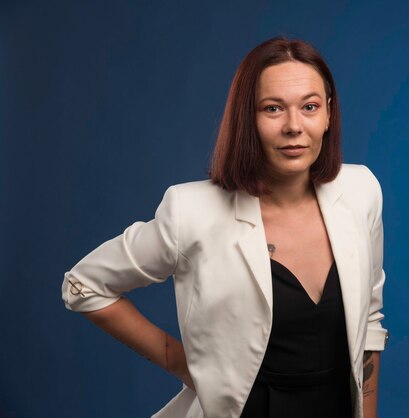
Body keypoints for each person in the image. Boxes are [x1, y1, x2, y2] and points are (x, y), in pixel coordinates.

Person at [62, 36, 388, 418]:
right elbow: (83, 285)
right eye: (272, 109)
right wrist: (181, 363)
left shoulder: (361, 190)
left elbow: (368, 319)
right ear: (247, 117)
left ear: (329, 114)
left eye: (310, 107)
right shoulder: (192, 211)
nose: (294, 126)